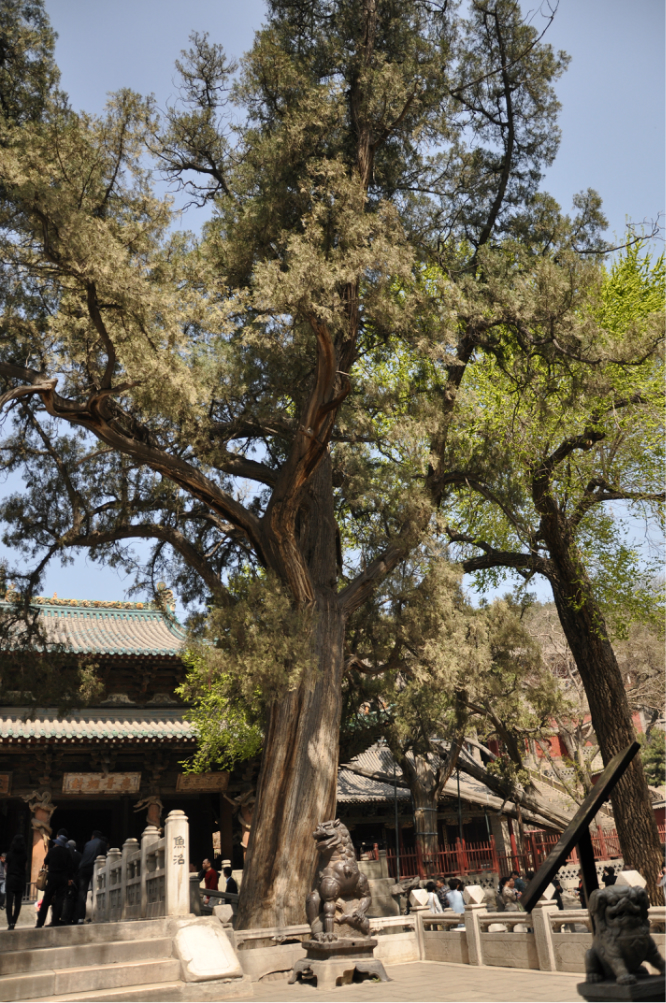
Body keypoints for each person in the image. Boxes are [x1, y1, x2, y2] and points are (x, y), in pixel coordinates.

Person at [36, 829, 77, 928]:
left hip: (52, 877)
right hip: (63, 878)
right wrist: (70, 878)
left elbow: (46, 861)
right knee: (59, 899)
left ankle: (40, 922)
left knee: (46, 899)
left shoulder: (52, 851)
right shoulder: (67, 852)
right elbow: (70, 867)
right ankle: (55, 920)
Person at [75, 829, 107, 924]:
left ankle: (80, 918)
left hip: (83, 868)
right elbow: (104, 856)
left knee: (82, 893)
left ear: (92, 837)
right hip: (93, 868)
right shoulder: (102, 843)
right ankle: (95, 915)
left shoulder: (87, 844)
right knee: (96, 890)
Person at [4, 834, 27, 930]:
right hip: (20, 879)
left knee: (9, 902)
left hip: (11, 879)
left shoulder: (9, 854)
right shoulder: (24, 855)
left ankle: (10, 922)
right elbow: (25, 867)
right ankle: (14, 921)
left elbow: (6, 867)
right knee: (18, 903)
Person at [62, 840, 82, 925]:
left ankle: (67, 918)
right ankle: (76, 918)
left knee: (68, 898)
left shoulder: (67, 854)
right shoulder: (79, 855)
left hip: (69, 879)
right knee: (77, 898)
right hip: (77, 879)